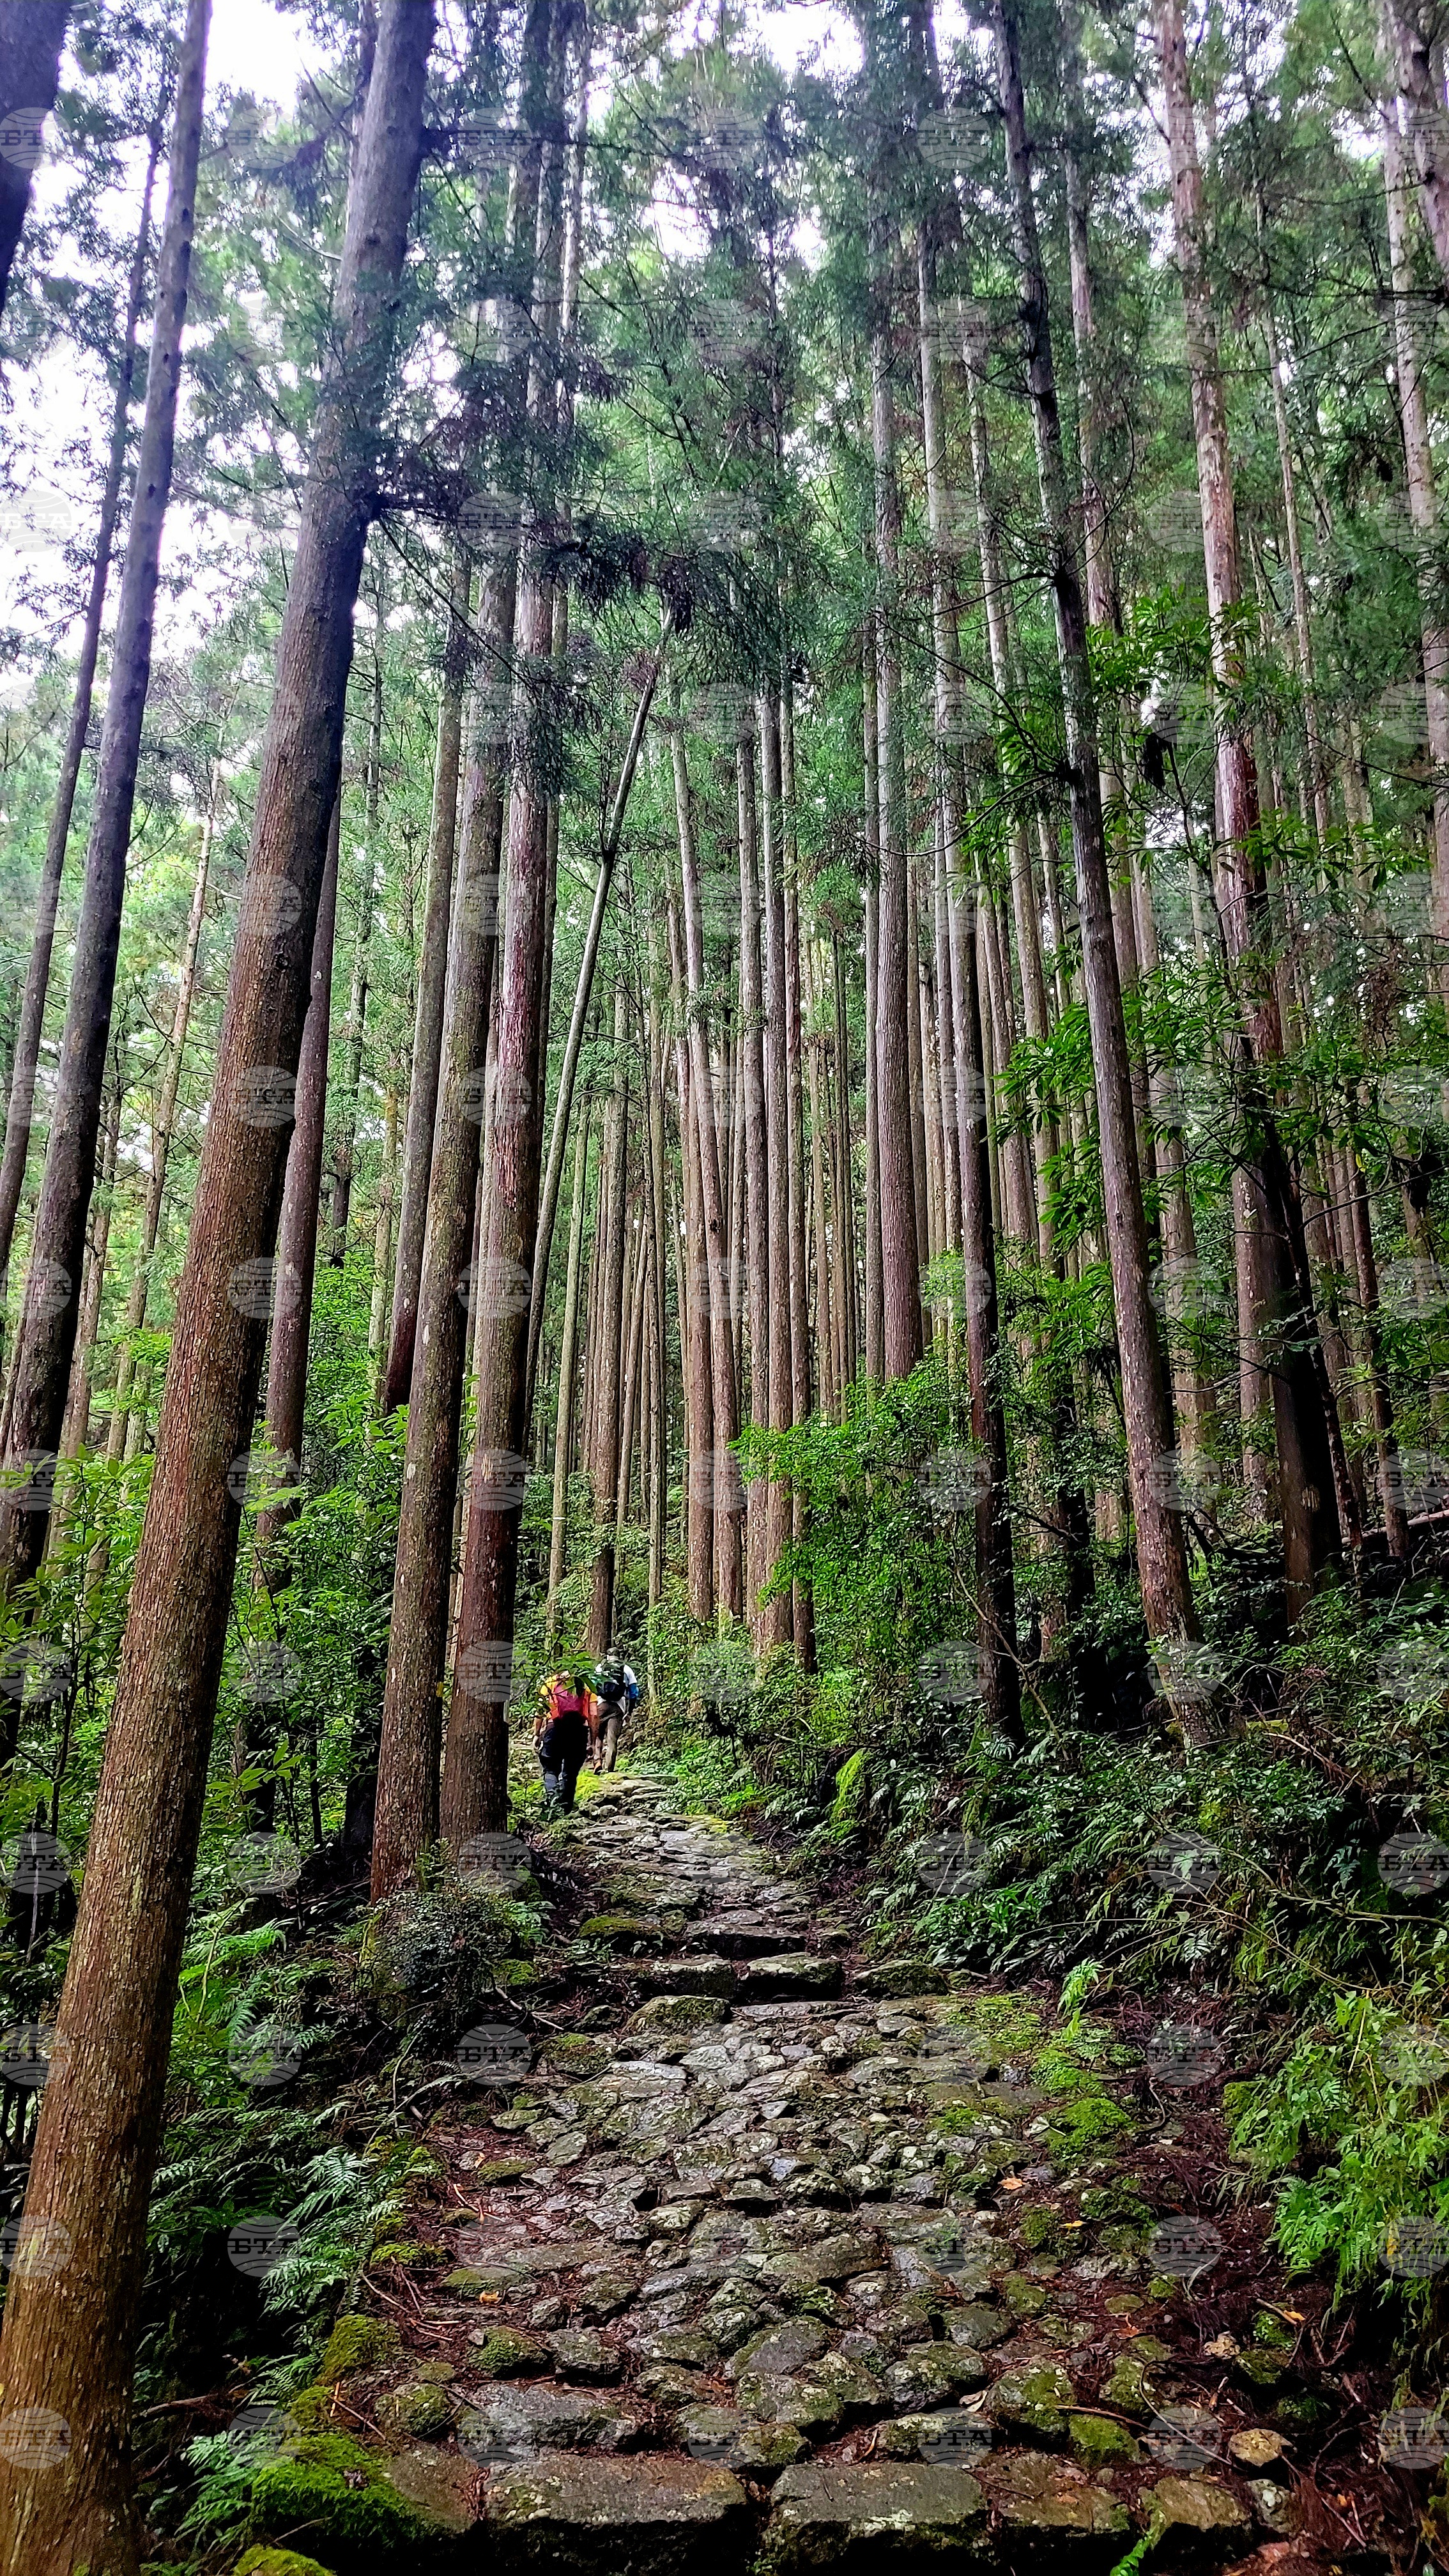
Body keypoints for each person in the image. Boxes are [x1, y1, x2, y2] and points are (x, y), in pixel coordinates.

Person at [534, 1665, 593, 1814]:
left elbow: (540, 1711)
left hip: (554, 1729)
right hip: (578, 1730)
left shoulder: (549, 1684)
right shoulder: (585, 1685)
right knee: (570, 1772)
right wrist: (592, 1740)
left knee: (551, 1767)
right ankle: (566, 1808)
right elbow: (594, 1715)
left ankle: (552, 1803)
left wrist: (536, 1734)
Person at [590, 1645, 638, 1774]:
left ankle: (597, 1762)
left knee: (597, 1736)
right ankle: (609, 1769)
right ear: (619, 1657)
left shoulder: (600, 1668)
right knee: (612, 1739)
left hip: (600, 1705)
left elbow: (592, 1687)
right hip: (618, 1708)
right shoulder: (626, 1669)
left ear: (607, 1656)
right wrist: (630, 1711)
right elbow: (634, 1693)